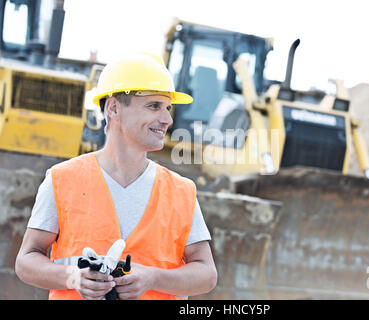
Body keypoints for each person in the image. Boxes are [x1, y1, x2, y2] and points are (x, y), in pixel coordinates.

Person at [15, 53, 217, 300]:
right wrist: (74, 277)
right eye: (154, 106)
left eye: (167, 108)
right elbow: (26, 261)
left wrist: (153, 278)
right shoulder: (62, 179)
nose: (167, 119)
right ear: (113, 108)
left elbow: (207, 274)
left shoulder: (181, 191)